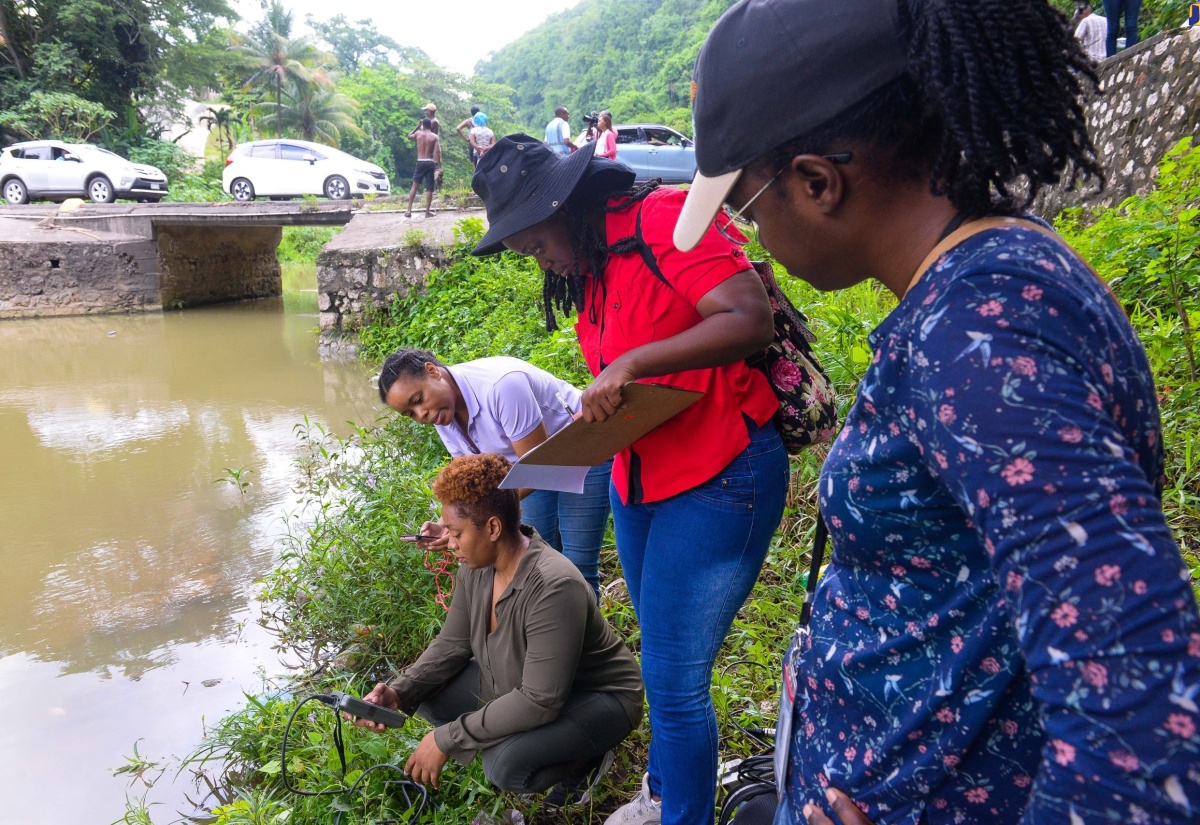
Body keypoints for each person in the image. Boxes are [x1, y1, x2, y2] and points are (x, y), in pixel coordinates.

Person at [675, 1, 1200, 824]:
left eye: (746, 208)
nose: (751, 239)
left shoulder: (981, 330)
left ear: (817, 182)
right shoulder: (978, 286)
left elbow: (1139, 706)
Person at [471, 134, 789, 825]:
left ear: (568, 205)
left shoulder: (664, 221)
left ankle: (682, 814)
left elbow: (749, 318)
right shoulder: (590, 269)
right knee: (657, 655)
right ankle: (667, 789)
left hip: (722, 474)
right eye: (527, 255)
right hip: (640, 482)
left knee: (675, 684)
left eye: (538, 246)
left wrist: (633, 364)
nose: (542, 261)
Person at [354, 453, 644, 806]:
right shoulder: (476, 566)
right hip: (527, 681)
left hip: (598, 697)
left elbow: (540, 700)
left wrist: (448, 738)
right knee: (427, 692)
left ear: (492, 528)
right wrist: (400, 692)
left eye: (456, 533)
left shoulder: (554, 586)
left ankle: (586, 758)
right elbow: (453, 643)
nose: (450, 542)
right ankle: (516, 734)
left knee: (504, 765)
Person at [377, 350, 612, 600]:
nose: (421, 414)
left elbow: (538, 470)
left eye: (418, 399)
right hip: (526, 468)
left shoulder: (501, 386)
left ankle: (586, 637)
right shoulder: (441, 413)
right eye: (410, 414)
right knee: (534, 562)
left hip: (580, 453)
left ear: (433, 371)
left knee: (577, 566)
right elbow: (476, 482)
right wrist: (448, 525)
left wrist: (465, 521)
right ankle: (550, 630)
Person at [404, 119, 441, 219]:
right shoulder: (434, 136)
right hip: (430, 162)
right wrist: (439, 166)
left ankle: (408, 210)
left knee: (415, 186)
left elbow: (408, 136)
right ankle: (427, 212)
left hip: (420, 162)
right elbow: (437, 152)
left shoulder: (418, 134)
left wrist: (416, 126)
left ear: (423, 125)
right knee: (430, 188)